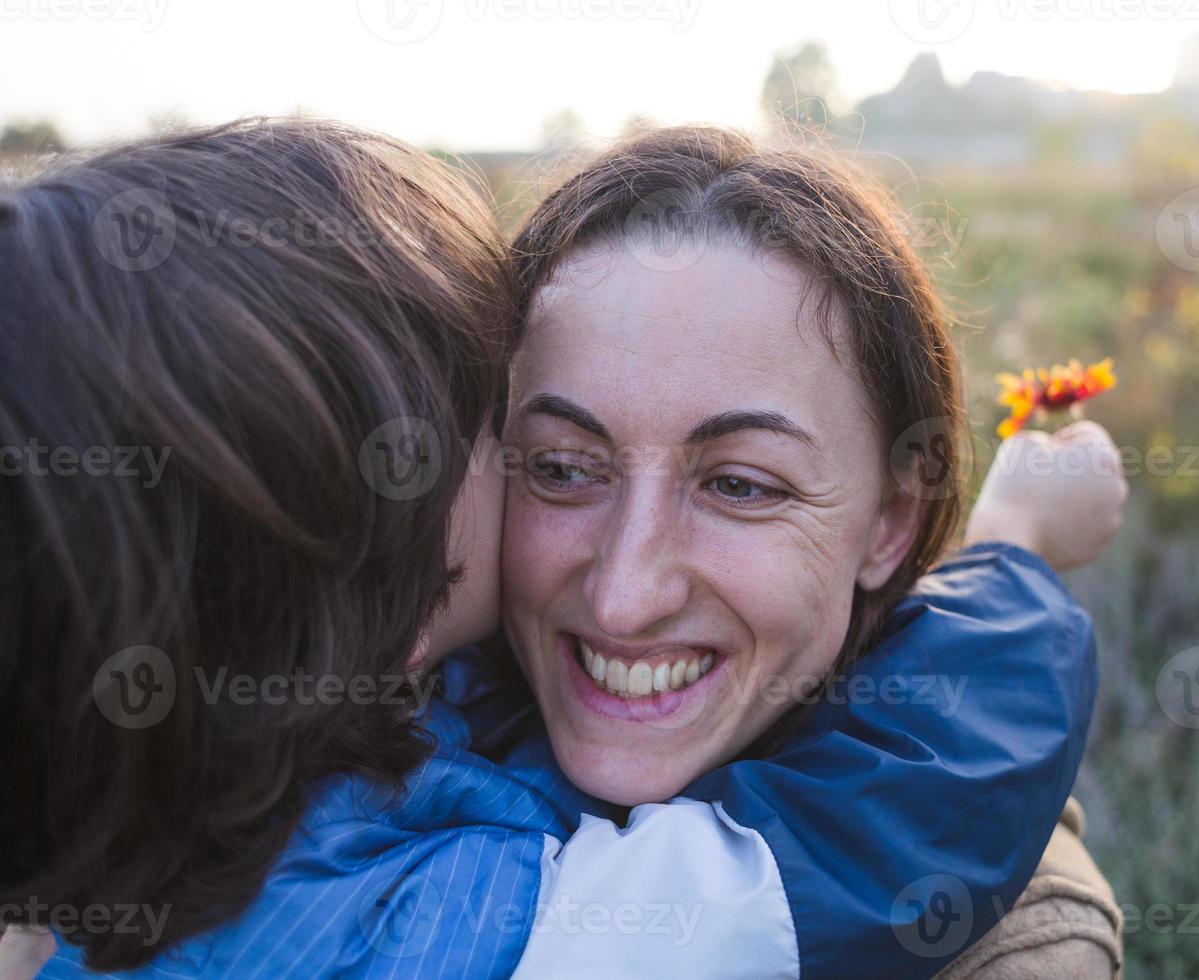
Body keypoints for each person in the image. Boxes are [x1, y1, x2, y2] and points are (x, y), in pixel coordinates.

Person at [0, 119, 1119, 978]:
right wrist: (1013, 550)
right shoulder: (435, 926)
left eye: (739, 483)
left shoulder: (201, 771)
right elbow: (879, 827)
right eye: (554, 463)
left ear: (893, 517)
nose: (625, 593)